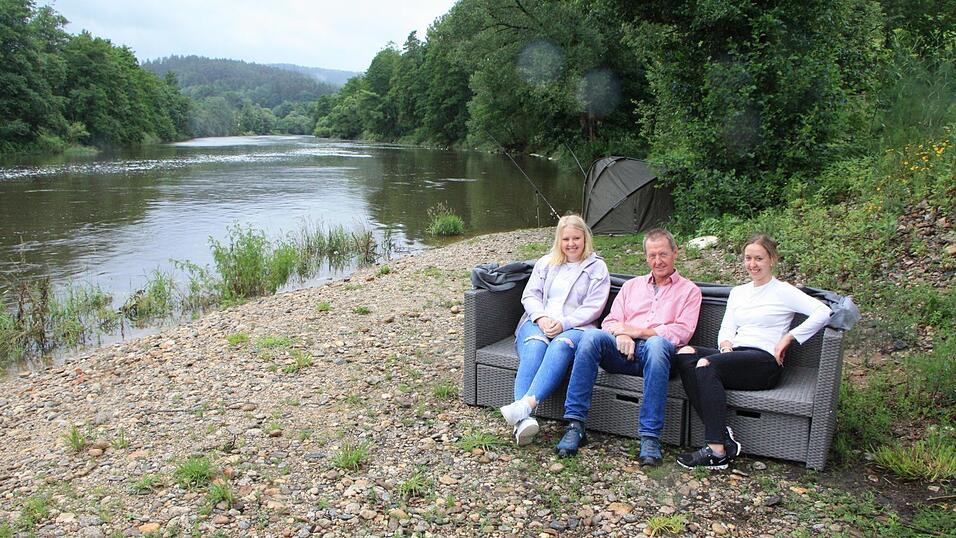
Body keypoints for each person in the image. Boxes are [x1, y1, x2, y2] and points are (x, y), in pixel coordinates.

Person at [675, 234, 831, 470]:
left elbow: (822, 312)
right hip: (735, 356)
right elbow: (727, 327)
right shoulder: (739, 292)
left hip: (764, 362)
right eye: (748, 258)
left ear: (772, 259)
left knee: (706, 364)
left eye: (759, 258)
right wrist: (725, 346)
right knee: (685, 354)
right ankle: (723, 437)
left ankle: (717, 451)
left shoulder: (784, 291)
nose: (753, 264)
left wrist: (789, 338)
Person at [555, 228, 702, 466]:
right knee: (591, 338)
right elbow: (611, 322)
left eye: (663, 254)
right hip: (623, 352)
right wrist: (622, 334)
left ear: (675, 252)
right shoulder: (632, 286)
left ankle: (650, 437)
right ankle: (575, 425)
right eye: (652, 255)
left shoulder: (689, 291)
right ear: (646, 257)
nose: (657, 261)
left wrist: (638, 332)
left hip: (659, 358)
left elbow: (682, 332)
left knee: (655, 344)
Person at [499, 215, 610, 446]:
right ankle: (523, 421)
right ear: (559, 240)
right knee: (535, 345)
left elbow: (594, 306)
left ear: (585, 238)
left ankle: (525, 407)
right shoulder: (547, 262)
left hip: (576, 328)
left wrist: (564, 324)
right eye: (566, 239)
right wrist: (541, 318)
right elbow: (530, 295)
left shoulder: (597, 267)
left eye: (576, 238)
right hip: (538, 321)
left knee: (560, 346)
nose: (571, 244)